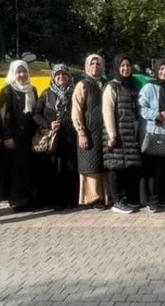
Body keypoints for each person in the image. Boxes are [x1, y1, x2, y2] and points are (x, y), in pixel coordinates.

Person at [33, 64, 79, 211]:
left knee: (70, 169)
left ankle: (71, 200)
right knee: (54, 170)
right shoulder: (46, 94)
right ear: (53, 77)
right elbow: (36, 114)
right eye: (58, 75)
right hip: (53, 139)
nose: (61, 77)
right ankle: (55, 201)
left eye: (64, 75)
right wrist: (48, 124)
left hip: (70, 137)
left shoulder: (74, 93)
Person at [103, 54, 143, 214]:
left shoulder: (131, 85)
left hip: (130, 133)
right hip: (117, 133)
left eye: (128, 65)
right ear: (117, 68)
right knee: (115, 167)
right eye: (122, 66)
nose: (125, 69)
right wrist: (112, 134)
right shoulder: (112, 86)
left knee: (127, 167)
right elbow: (107, 111)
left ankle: (125, 199)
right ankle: (117, 201)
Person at [0, 60, 38, 212]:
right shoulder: (7, 90)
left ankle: (27, 198)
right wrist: (7, 136)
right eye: (18, 72)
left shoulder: (32, 89)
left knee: (28, 168)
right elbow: (3, 115)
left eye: (24, 71)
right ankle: (17, 201)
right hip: (14, 137)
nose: (21, 75)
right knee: (15, 170)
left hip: (28, 136)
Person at [72, 55, 111, 210]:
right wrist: (81, 132)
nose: (95, 66)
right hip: (88, 131)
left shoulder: (107, 84)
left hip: (104, 131)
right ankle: (94, 198)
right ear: (87, 66)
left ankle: (107, 196)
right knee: (91, 165)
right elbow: (76, 110)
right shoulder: (83, 85)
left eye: (98, 63)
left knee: (104, 164)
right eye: (92, 64)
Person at [139, 59, 165, 212]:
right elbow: (141, 108)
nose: (164, 72)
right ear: (156, 70)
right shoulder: (149, 87)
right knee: (151, 169)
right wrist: (158, 115)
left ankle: (162, 198)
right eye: (161, 69)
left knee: (163, 168)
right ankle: (151, 200)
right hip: (152, 133)